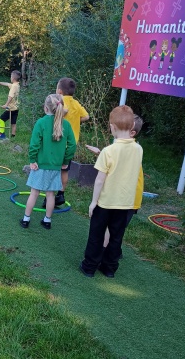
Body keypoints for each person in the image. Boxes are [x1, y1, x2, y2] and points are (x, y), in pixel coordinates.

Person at [79, 105, 143, 278]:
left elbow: (100, 180)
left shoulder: (108, 151)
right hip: (125, 203)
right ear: (131, 128)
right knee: (116, 237)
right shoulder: (139, 149)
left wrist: (94, 202)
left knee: (96, 235)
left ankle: (89, 267)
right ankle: (109, 269)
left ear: (112, 127)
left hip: (105, 202)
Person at [85, 114, 144, 250]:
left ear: (132, 133)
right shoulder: (135, 148)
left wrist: (94, 201)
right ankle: (108, 252)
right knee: (115, 229)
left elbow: (117, 163)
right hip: (124, 197)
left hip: (127, 198)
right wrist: (101, 153)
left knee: (113, 229)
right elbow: (117, 160)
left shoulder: (135, 149)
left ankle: (104, 253)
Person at [20, 93, 76, 229]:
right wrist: (65, 160)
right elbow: (72, 145)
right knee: (50, 194)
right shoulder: (66, 125)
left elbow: (34, 144)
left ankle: (26, 219)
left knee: (34, 193)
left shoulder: (41, 122)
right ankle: (47, 221)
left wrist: (32, 160)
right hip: (56, 166)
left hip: (40, 165)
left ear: (46, 108)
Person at [42, 77, 89, 209]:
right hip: (71, 143)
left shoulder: (60, 100)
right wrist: (76, 120)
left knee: (53, 168)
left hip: (59, 142)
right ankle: (61, 194)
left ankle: (49, 195)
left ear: (59, 91)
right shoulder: (76, 103)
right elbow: (86, 116)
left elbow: (61, 111)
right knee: (64, 169)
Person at [0, 70, 21, 139]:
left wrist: (6, 104)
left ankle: (2, 134)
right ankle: (13, 136)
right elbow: (7, 84)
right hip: (16, 108)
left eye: (11, 76)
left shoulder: (13, 86)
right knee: (13, 122)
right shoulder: (17, 85)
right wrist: (0, 83)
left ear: (13, 78)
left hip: (11, 108)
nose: (10, 77)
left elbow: (10, 96)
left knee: (1, 119)